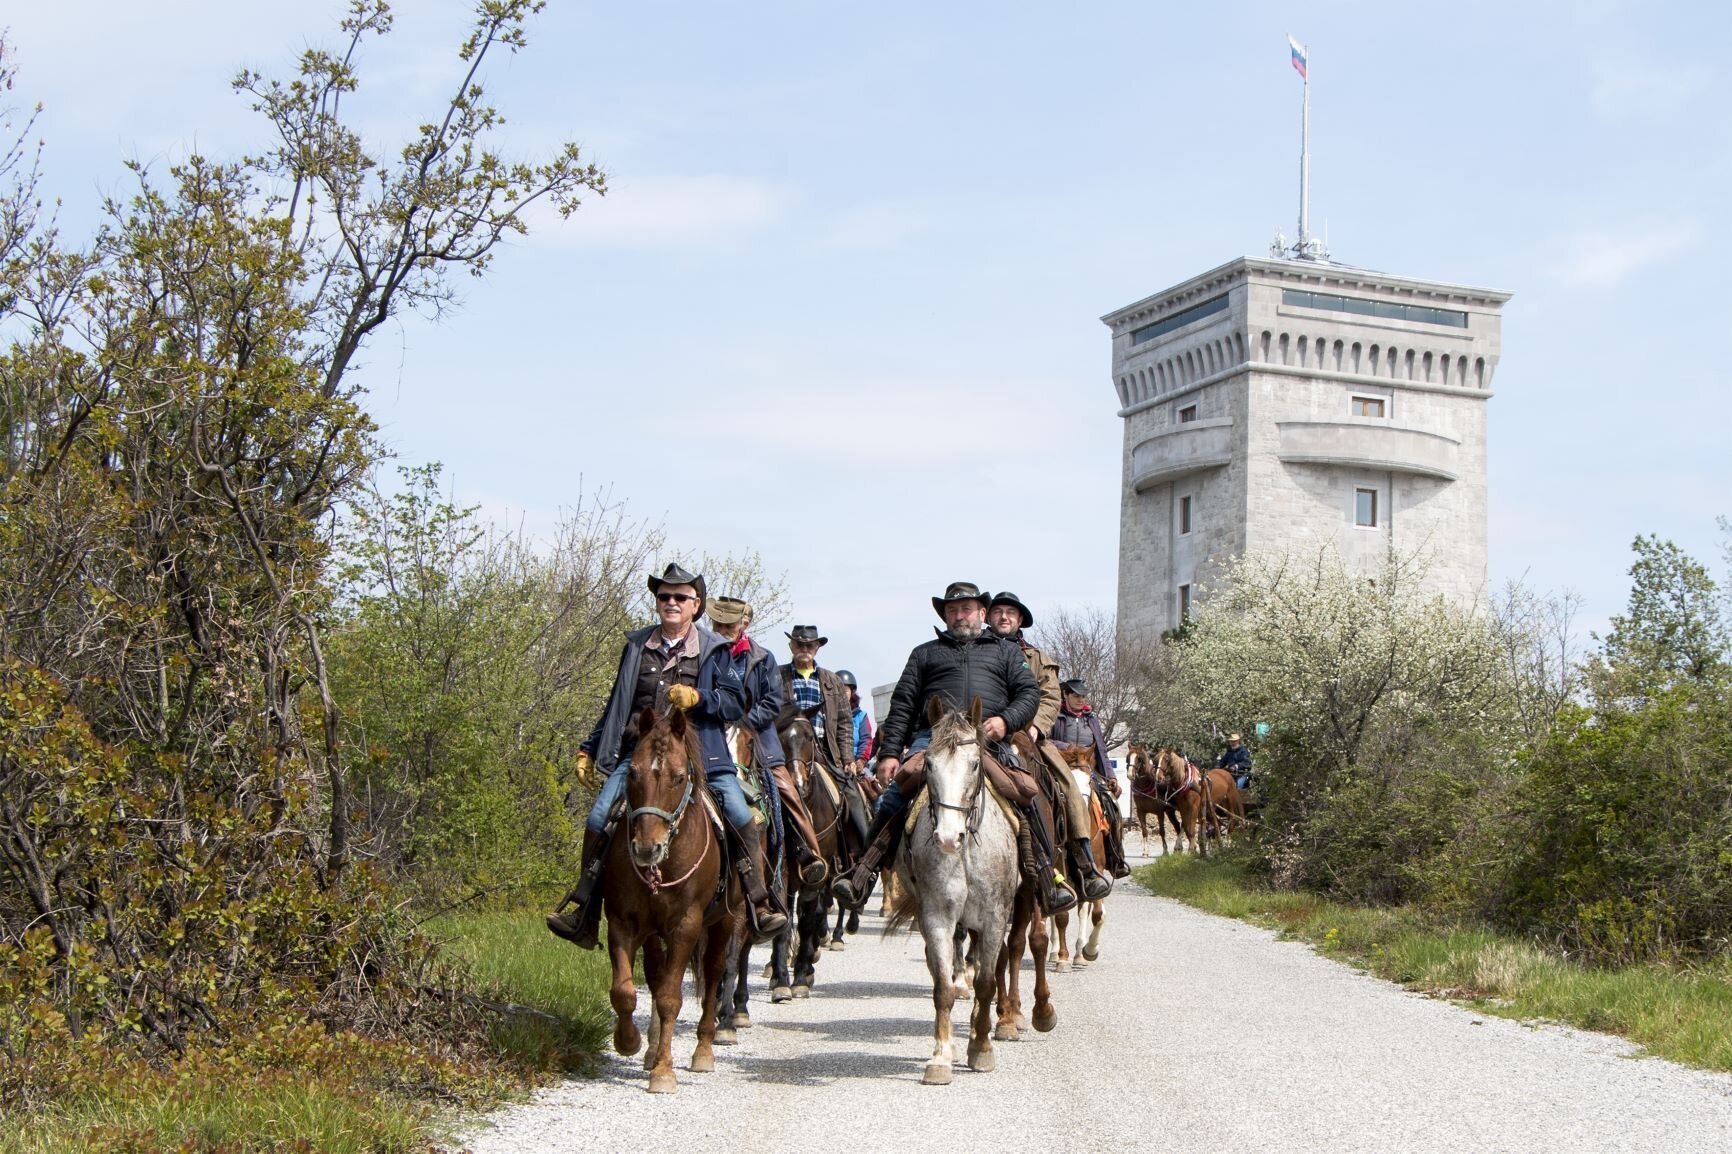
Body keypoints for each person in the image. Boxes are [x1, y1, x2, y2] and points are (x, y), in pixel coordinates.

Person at [547, 564, 786, 949]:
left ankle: (759, 903)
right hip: (641, 755)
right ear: (657, 603)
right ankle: (584, 909)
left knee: (741, 815)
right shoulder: (637, 646)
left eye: (680, 597)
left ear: (696, 605)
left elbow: (735, 701)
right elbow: (617, 706)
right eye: (664, 597)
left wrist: (699, 698)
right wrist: (588, 748)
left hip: (702, 757)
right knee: (598, 815)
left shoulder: (715, 649)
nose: (671, 603)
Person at [831, 582, 1076, 914]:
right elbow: (902, 704)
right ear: (945, 616)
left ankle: (1048, 876)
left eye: (966, 609)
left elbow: (1029, 694)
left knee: (1026, 794)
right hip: (933, 741)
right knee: (893, 797)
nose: (960, 616)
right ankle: (864, 873)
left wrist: (1005, 721)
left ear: (981, 613)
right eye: (953, 611)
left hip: (989, 741)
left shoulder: (1005, 652)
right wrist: (889, 753)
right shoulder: (924, 653)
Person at [986, 591, 1111, 901]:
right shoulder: (974, 651)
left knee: (1068, 784)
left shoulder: (1039, 658)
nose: (1004, 617)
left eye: (1010, 613)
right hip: (983, 735)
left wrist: (1036, 728)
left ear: (1019, 620)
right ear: (987, 617)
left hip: (1029, 737)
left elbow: (1051, 697)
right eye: (998, 611)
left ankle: (1083, 862)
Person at [708, 597, 827, 887]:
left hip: (757, 737)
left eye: (729, 625)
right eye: (718, 624)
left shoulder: (763, 658)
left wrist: (741, 721)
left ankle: (807, 852)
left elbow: (772, 703)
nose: (722, 629)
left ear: (743, 625)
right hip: (709, 736)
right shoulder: (702, 654)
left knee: (788, 790)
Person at [1050, 678, 1131, 879]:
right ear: (1065, 696)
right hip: (1062, 771)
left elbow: (1101, 749)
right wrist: (1066, 748)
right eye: (1076, 696)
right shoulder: (1055, 716)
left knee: (1111, 806)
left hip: (1089, 772)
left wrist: (1111, 776)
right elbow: (1046, 740)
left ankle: (1115, 856)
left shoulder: (1091, 718)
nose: (1080, 700)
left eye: (1082, 697)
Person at [837, 670, 874, 766]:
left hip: (855, 761)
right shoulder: (827, 716)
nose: (841, 694)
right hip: (834, 762)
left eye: (845, 690)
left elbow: (866, 739)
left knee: (868, 780)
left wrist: (861, 760)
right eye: (837, 690)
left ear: (851, 692)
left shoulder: (861, 716)